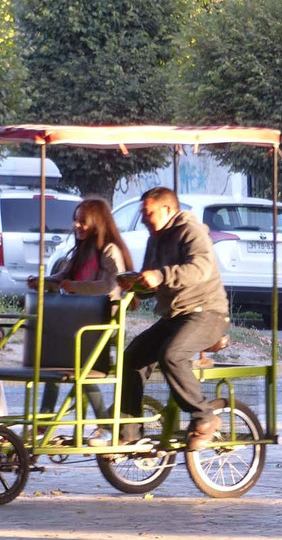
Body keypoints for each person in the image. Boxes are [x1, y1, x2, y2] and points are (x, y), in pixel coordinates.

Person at [117, 187, 230, 450]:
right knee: (131, 357)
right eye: (143, 214)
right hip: (174, 316)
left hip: (208, 313)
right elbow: (152, 283)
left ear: (167, 210)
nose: (144, 219)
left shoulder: (192, 231)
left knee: (172, 355)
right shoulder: (154, 239)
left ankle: (205, 417)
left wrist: (161, 275)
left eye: (148, 213)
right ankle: (129, 432)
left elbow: (199, 268)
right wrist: (134, 284)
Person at [27, 197, 133, 432]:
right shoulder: (80, 251)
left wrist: (77, 286)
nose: (77, 226)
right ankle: (44, 421)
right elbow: (63, 277)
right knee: (52, 366)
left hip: (101, 323)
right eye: (75, 220)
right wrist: (43, 282)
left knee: (82, 372)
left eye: (83, 221)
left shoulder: (109, 250)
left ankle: (103, 423)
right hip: (76, 321)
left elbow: (110, 285)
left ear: (98, 222)